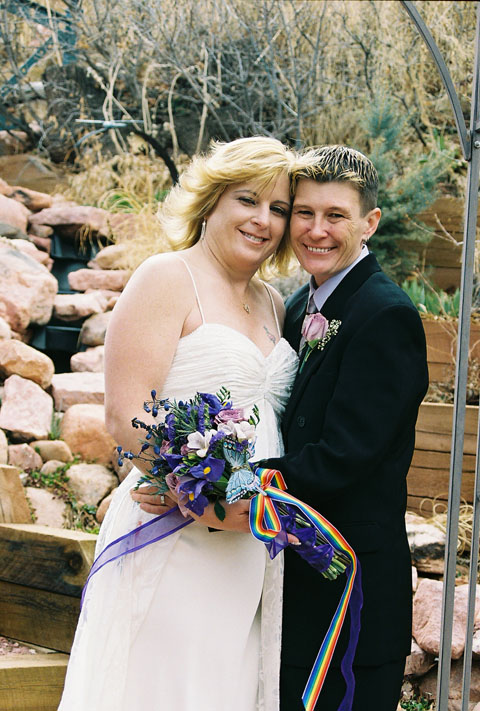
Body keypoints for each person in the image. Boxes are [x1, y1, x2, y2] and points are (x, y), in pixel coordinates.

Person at [58, 136, 314, 711]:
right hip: (174, 529)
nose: (263, 220)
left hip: (250, 542)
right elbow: (127, 414)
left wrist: (248, 505)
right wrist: (196, 493)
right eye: (248, 200)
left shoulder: (274, 303)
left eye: (278, 208)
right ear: (212, 199)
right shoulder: (166, 277)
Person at [261, 145, 429, 710]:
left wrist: (235, 481)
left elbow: (344, 455)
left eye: (335, 215)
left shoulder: (386, 315)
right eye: (304, 213)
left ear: (369, 223)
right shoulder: (296, 306)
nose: (316, 230)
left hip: (349, 585)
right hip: (294, 574)